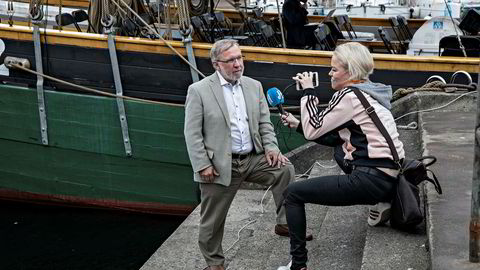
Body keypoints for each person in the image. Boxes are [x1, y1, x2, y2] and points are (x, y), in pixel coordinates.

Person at [277, 42, 405, 270]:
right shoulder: (372, 91)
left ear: (351, 71)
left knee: (292, 194)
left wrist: (307, 91)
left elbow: (313, 130)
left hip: (371, 179)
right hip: (389, 175)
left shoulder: (349, 95)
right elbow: (333, 138)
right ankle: (383, 200)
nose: (330, 74)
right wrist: (298, 124)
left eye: (334, 69)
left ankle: (298, 265)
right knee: (339, 149)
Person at [184, 39, 309, 270]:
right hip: (221, 164)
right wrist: (202, 164)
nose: (238, 64)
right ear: (216, 64)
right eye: (231, 60)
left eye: (240, 58)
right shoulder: (199, 91)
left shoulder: (254, 86)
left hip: (252, 159)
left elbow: (264, 123)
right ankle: (215, 263)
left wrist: (271, 147)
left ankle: (283, 222)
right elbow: (192, 133)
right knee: (212, 220)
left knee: (284, 169)